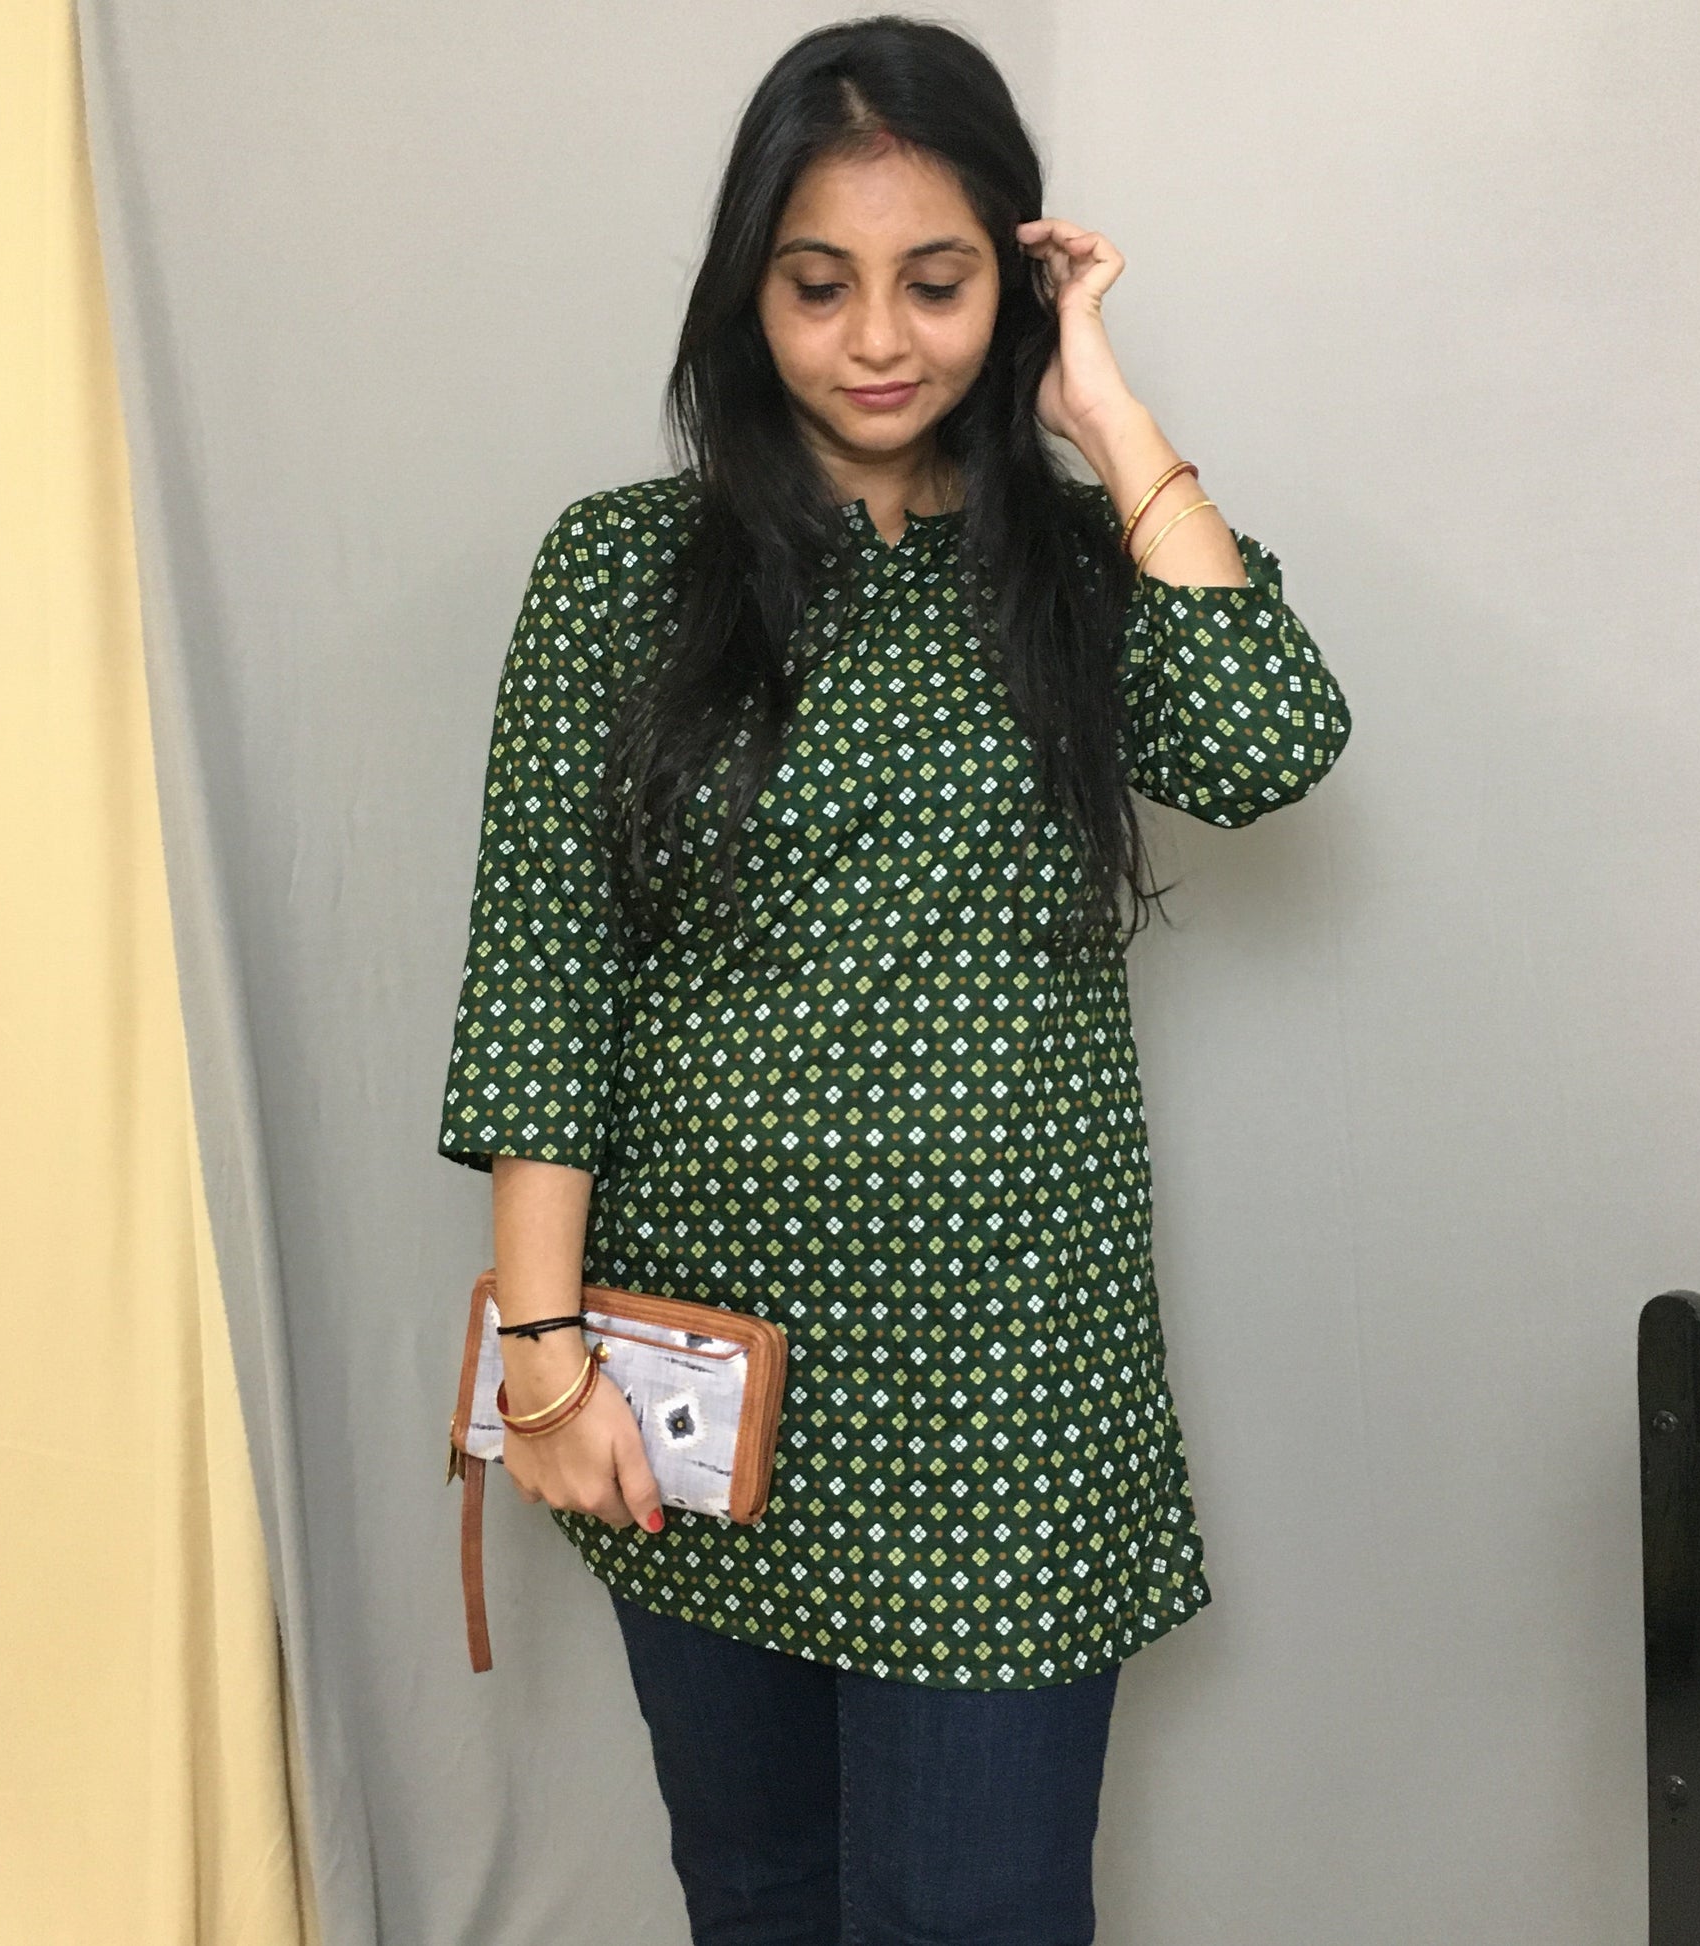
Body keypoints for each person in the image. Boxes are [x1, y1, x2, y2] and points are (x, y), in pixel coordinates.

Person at [437, 16, 1351, 1943]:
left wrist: (1102, 409)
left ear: (1007, 286)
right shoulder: (620, 571)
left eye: (935, 284)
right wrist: (541, 1356)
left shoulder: (1079, 567)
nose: (875, 339)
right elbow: (543, 981)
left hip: (1007, 1387)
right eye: (817, 284)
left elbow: (1266, 739)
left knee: (976, 1909)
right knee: (759, 1891)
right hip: (704, 1381)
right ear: (744, 292)